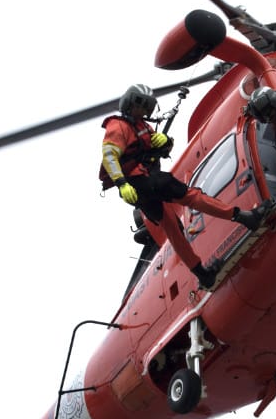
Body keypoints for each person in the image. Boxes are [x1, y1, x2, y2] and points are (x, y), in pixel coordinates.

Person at [100, 83, 266, 289]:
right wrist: (122, 183)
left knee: (172, 227)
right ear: (131, 103)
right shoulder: (118, 126)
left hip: (144, 184)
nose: (144, 111)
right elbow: (109, 155)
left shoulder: (143, 127)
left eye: (147, 108)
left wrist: (165, 142)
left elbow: (157, 149)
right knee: (189, 195)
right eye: (142, 106)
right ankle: (242, 216)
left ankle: (201, 273)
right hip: (139, 182)